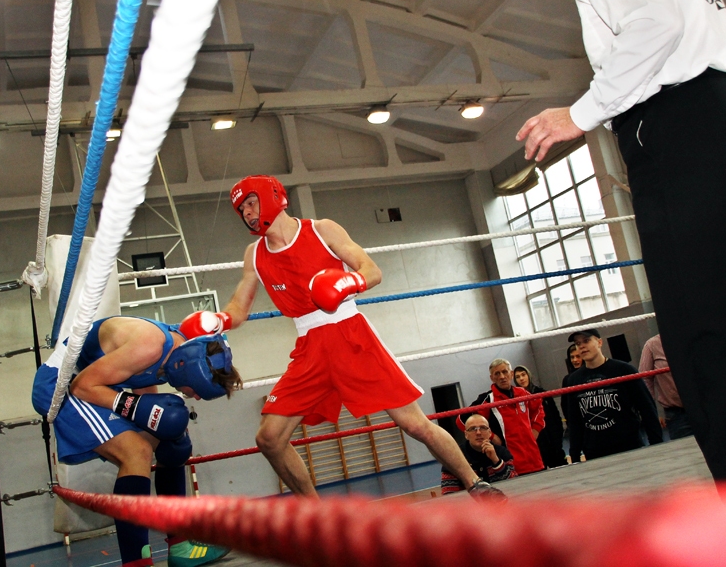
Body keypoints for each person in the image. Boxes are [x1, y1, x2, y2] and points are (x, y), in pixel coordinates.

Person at [517, 0, 726, 481]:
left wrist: (581, 112)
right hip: (712, 119)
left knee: (699, 340)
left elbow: (657, 23)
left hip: (679, 128)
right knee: (722, 327)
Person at [180, 175, 504, 501]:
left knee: (415, 425)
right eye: (241, 210)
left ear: (272, 197)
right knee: (269, 438)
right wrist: (218, 319)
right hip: (309, 347)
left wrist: (347, 284)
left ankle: (475, 484)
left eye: (251, 203)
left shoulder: (321, 230)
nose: (248, 214)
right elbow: (239, 307)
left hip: (350, 334)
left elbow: (372, 270)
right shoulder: (254, 254)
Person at [31, 316, 242, 567]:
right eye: (196, 390)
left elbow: (143, 389)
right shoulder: (149, 346)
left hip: (94, 385)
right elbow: (82, 387)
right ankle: (136, 564)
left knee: (173, 438)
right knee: (136, 451)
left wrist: (157, 421)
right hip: (62, 386)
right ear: (190, 371)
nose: (194, 396)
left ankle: (180, 547)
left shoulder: (174, 358)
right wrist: (136, 410)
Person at [565, 329, 663, 462]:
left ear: (599, 342)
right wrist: (575, 456)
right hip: (595, 451)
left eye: (586, 341)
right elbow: (575, 421)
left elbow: (646, 408)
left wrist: (657, 444)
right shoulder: (573, 380)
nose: (581, 346)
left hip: (629, 446)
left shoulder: (624, 370)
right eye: (577, 343)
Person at [469, 359, 545, 475]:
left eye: (505, 372)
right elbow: (462, 420)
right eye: (497, 374)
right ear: (492, 378)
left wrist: (535, 430)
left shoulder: (522, 393)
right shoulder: (488, 399)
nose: (502, 376)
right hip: (511, 464)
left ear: (511, 374)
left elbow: (538, 407)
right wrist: (491, 436)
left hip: (534, 459)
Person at [441, 414, 517, 495]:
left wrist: (496, 461)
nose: (478, 432)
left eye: (483, 428)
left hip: (501, 504)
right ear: (466, 434)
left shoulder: (502, 452)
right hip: (469, 506)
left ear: (489, 433)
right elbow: (449, 494)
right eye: (473, 429)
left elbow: (514, 484)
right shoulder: (454, 457)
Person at [639, 334, 693, 440]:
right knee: (684, 451)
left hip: (707, 407)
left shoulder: (695, 336)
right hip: (677, 413)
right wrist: (654, 413)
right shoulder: (652, 345)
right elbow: (645, 379)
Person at [514, 365, 567, 467]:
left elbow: (555, 417)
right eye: (518, 377)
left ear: (528, 375)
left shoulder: (542, 393)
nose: (521, 378)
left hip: (551, 440)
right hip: (534, 443)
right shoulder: (516, 399)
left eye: (523, 375)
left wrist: (558, 439)